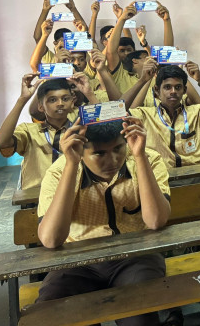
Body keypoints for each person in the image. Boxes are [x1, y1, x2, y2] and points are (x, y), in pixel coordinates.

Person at [35, 118, 171, 326]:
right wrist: (71, 165)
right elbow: (51, 239)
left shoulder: (147, 159)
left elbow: (155, 221)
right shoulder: (59, 171)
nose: (113, 160)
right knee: (54, 310)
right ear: (81, 151)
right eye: (99, 153)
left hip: (135, 256)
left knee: (140, 317)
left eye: (118, 148)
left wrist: (139, 156)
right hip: (77, 261)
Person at [123, 62, 200, 168]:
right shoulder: (145, 115)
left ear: (184, 90)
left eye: (178, 87)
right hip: (161, 176)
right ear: (157, 90)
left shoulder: (196, 112)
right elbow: (118, 111)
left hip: (195, 174)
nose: (173, 91)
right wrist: (143, 80)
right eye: (167, 87)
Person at [0, 76, 75, 189]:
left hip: (71, 193)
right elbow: (1, 143)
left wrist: (89, 94)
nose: (60, 103)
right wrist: (22, 100)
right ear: (41, 107)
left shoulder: (79, 131)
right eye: (52, 100)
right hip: (34, 195)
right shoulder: (29, 131)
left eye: (65, 99)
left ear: (72, 103)